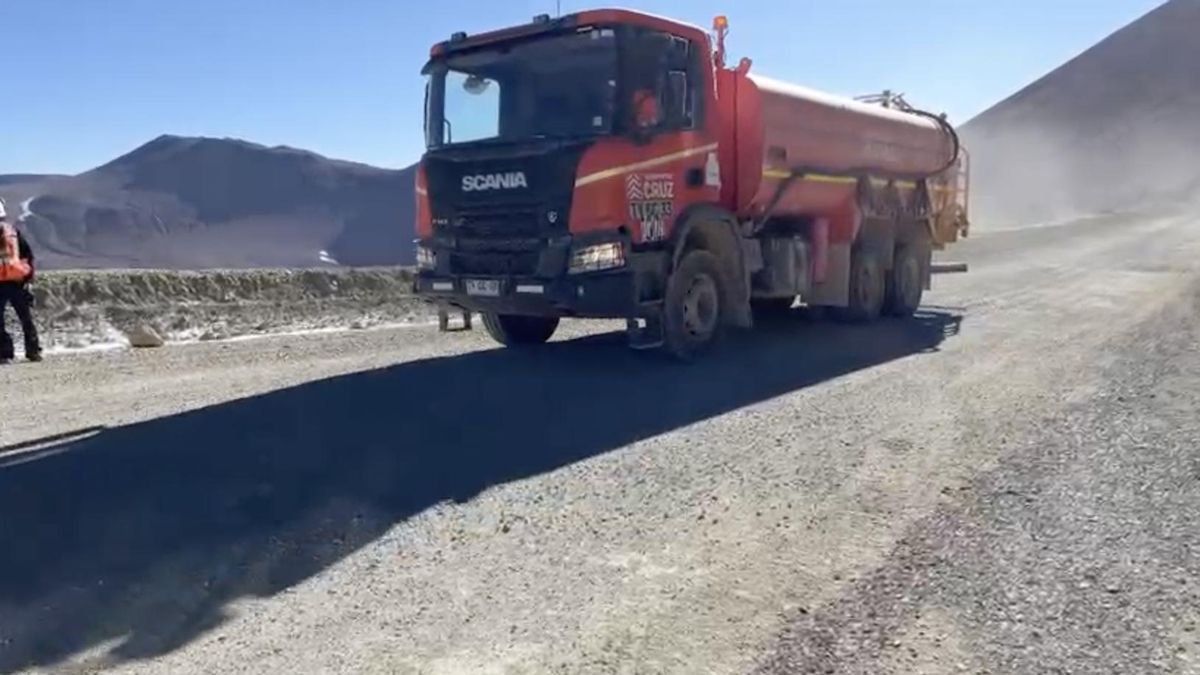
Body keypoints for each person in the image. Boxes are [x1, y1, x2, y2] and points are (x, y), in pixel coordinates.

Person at [0, 197, 41, 363]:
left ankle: (5, 354)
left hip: (8, 282)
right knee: (25, 318)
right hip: (17, 280)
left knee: (2, 321)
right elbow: (28, 255)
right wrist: (29, 278)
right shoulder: (13, 232)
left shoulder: (13, 233)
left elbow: (28, 255)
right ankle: (32, 352)